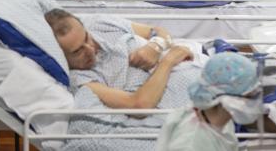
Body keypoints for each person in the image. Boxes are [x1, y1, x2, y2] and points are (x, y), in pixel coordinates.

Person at [45, 8, 198, 109]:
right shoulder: (81, 80)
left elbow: (157, 31)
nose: (90, 49)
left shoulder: (100, 23)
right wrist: (168, 62)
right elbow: (138, 104)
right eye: (77, 51)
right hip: (187, 89)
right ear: (61, 56)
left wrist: (156, 46)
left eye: (86, 38)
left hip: (194, 63)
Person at [156, 52, 263, 150]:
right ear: (228, 99)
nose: (253, 102)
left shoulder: (222, 119)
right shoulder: (191, 143)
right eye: (249, 96)